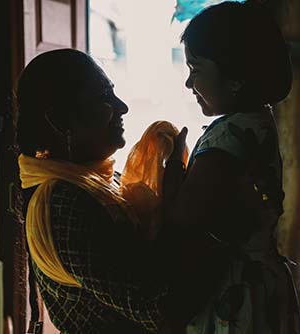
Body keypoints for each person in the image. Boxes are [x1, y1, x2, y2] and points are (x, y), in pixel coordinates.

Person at [15, 48, 189, 334]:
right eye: (104, 98)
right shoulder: (64, 203)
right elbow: (159, 310)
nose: (122, 107)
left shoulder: (95, 180)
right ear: (61, 120)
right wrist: (175, 204)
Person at [162, 1, 300, 333]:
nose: (188, 84)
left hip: (233, 293)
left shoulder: (227, 137)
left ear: (236, 78)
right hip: (263, 282)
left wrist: (170, 173)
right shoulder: (259, 121)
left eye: (195, 70)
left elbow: (182, 219)